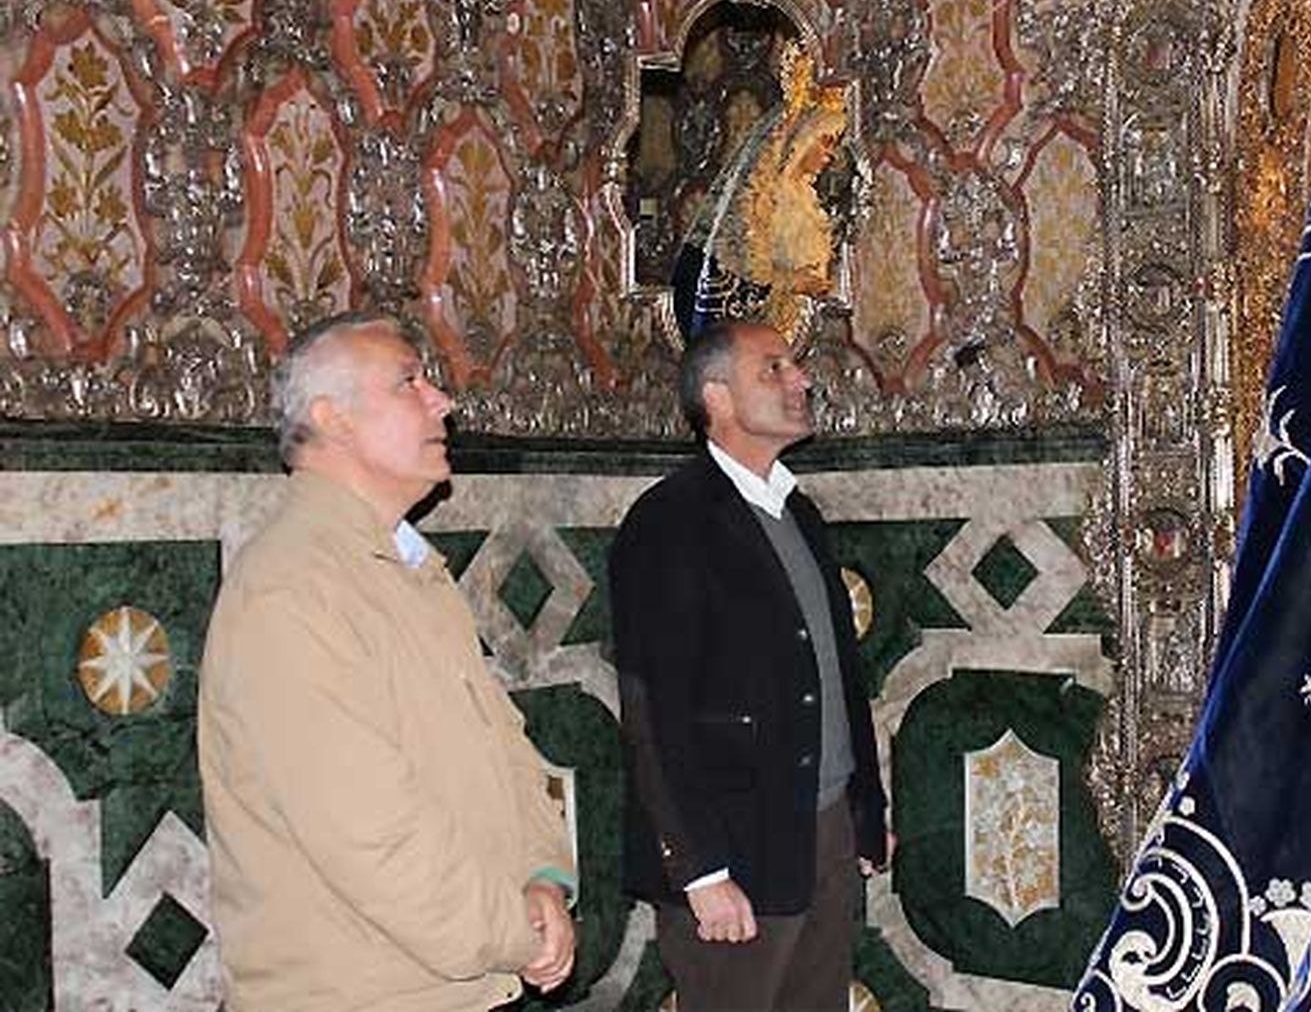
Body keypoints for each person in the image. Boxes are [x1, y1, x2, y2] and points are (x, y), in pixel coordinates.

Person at [198, 312, 577, 1012]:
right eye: (410, 381)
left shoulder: (403, 567)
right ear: (330, 418)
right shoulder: (291, 587)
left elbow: (506, 748)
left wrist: (543, 876)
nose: (444, 402)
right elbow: (371, 837)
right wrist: (515, 932)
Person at [609, 320, 891, 1010]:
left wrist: (862, 807)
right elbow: (653, 715)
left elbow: (835, 678)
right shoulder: (669, 522)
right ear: (719, 397)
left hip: (819, 832)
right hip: (731, 845)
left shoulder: (800, 514)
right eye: (774, 369)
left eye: (794, 367)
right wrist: (699, 870)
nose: (801, 381)